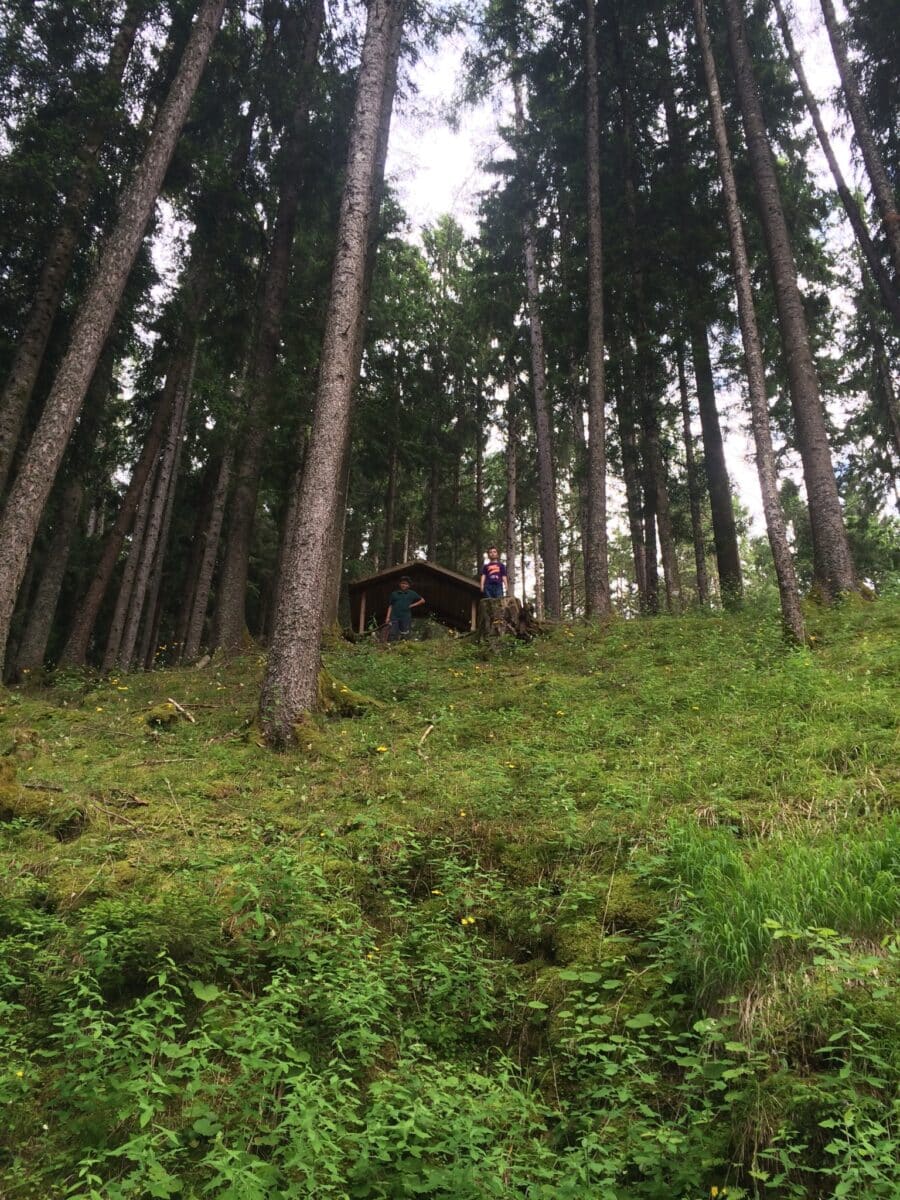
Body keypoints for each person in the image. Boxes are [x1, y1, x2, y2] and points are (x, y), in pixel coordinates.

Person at [386, 576, 425, 641]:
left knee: (404, 634)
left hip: (405, 617)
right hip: (394, 617)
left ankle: (403, 648)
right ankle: (392, 648)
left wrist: (412, 605)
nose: (404, 585)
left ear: (409, 586)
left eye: (406, 584)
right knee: (392, 633)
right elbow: (390, 606)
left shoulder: (412, 593)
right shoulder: (394, 594)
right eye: (402, 583)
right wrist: (387, 617)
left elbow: (422, 600)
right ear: (399, 584)